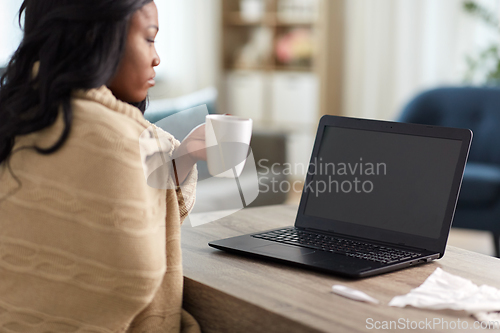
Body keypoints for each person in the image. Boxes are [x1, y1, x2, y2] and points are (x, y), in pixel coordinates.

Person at [0, 1, 205, 332]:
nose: (157, 58)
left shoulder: (16, 116)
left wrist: (190, 154)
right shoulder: (123, 139)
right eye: (149, 39)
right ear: (99, 38)